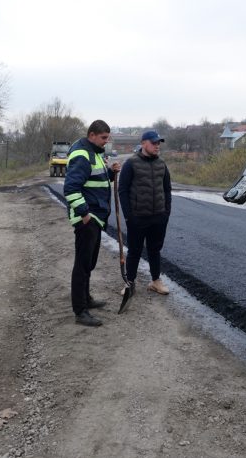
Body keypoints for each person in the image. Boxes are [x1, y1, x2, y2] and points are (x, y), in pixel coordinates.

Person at [63, 120, 121, 327]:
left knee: (89, 263)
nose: (107, 141)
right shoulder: (82, 154)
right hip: (88, 219)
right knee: (82, 265)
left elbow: (95, 180)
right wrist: (84, 214)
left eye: (108, 137)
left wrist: (112, 174)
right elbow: (71, 188)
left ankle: (86, 298)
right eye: (104, 138)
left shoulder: (95, 152)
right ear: (92, 135)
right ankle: (80, 311)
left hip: (96, 217)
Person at [118, 130, 172, 295]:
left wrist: (166, 213)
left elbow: (167, 189)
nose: (157, 146)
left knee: (155, 250)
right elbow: (123, 190)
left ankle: (155, 281)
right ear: (143, 143)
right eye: (153, 143)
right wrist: (129, 216)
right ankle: (130, 283)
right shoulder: (131, 164)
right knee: (134, 250)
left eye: (158, 143)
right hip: (138, 217)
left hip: (158, 217)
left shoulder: (161, 164)